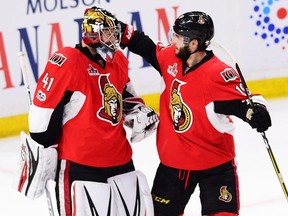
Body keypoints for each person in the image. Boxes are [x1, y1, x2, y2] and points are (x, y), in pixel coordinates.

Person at [119, 11, 272, 216]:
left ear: (193, 44)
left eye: (178, 37)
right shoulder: (170, 59)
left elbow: (244, 103)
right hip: (174, 165)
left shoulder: (217, 73)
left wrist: (257, 113)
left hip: (215, 166)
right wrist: (121, 30)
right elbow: (145, 46)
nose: (172, 40)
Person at [14, 6, 158, 216]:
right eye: (109, 33)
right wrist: (44, 152)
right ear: (93, 33)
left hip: (121, 161)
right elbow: (42, 122)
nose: (114, 39)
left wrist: (137, 111)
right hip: (80, 165)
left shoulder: (117, 60)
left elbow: (126, 96)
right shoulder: (67, 61)